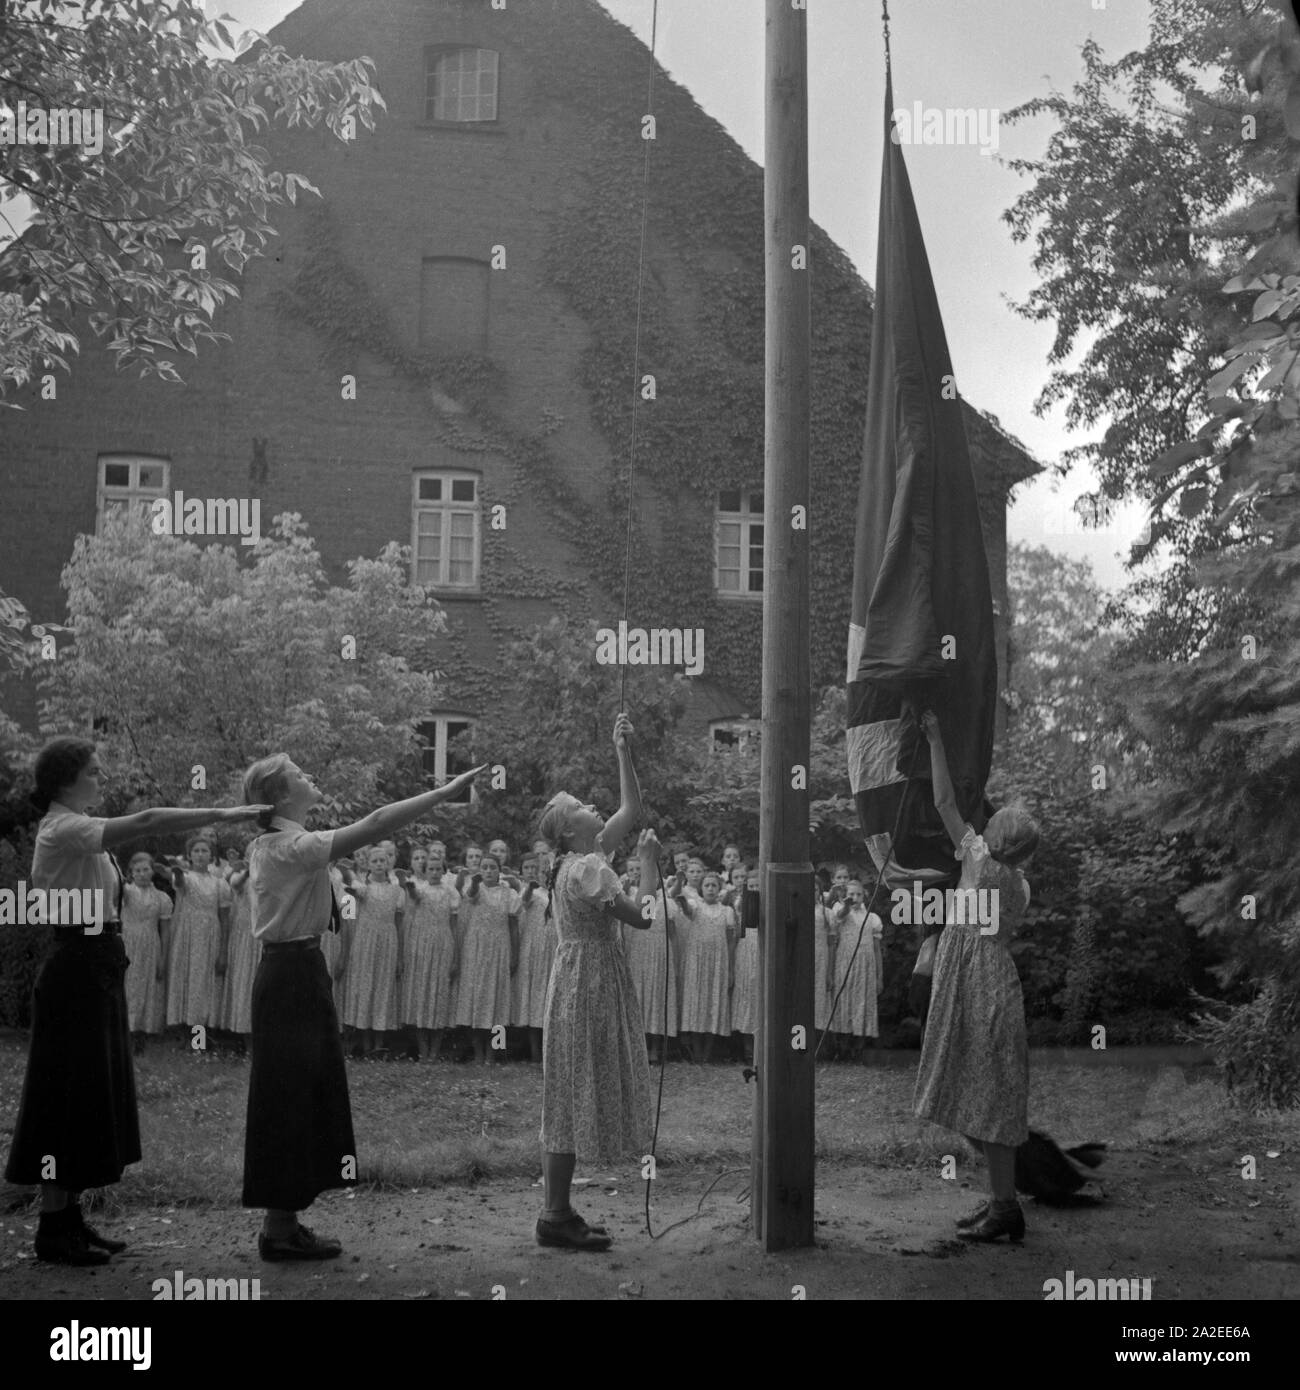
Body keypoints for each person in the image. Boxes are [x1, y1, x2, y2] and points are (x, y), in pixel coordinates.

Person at [4, 737, 267, 1265]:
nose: (100, 779)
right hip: (76, 968)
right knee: (65, 1096)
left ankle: (69, 1219)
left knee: (86, 1094)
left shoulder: (78, 829)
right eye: (93, 772)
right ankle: (54, 1229)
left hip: (92, 966)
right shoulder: (65, 828)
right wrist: (227, 810)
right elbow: (147, 818)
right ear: (65, 780)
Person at [238, 753, 485, 1260]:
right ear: (281, 796)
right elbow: (374, 824)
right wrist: (442, 793)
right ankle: (278, 1230)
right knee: (286, 1097)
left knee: (301, 1094)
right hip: (290, 975)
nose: (311, 776)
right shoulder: (290, 845)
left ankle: (284, 1223)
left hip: (299, 970)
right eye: (300, 774)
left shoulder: (285, 842)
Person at [534, 712, 661, 1251]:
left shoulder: (581, 859)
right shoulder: (587, 869)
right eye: (581, 807)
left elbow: (631, 808)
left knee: (565, 1092)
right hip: (589, 983)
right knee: (569, 1094)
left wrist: (622, 751)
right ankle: (556, 1215)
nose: (593, 807)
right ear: (569, 829)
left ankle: (556, 1213)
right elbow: (644, 916)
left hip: (578, 979)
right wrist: (649, 864)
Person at [913, 711, 1038, 1243]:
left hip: (972, 986)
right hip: (995, 983)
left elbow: (944, 802)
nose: (982, 824)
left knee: (978, 1095)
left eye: (991, 822)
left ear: (996, 837)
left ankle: (1005, 1207)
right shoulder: (1021, 886)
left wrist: (937, 737)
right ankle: (1001, 1203)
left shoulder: (978, 863)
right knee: (988, 1096)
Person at [164, 834, 233, 1044]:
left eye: (204, 851)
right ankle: (186, 1036)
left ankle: (200, 1039)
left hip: (210, 937)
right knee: (186, 981)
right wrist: (176, 871)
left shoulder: (220, 883)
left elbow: (224, 918)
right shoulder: (185, 877)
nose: (200, 855)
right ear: (189, 855)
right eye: (196, 851)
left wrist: (223, 951)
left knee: (203, 986)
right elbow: (179, 883)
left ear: (211, 856)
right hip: (187, 936)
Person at [454, 854, 521, 1063]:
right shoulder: (474, 888)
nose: (489, 871)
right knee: (476, 998)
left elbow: (513, 926)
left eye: (493, 867)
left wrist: (514, 954)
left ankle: (495, 1052)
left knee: (497, 1000)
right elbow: (471, 895)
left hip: (499, 948)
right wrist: (474, 882)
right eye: (485, 867)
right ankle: (478, 1053)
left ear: (499, 870)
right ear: (480, 870)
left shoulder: (508, 893)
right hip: (476, 948)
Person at [340, 845, 405, 1057]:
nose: (379, 864)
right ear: (368, 864)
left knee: (383, 987)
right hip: (365, 940)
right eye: (374, 861)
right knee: (365, 986)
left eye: (382, 861)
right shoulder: (360, 888)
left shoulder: (397, 890)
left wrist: (400, 955)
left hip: (387, 941)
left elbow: (399, 922)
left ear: (388, 864)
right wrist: (350, 891)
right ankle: (365, 1044)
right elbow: (348, 909)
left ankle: (380, 1044)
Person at [401, 849, 461, 1061]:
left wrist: (455, 955)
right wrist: (409, 887)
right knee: (421, 994)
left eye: (438, 869)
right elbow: (415, 897)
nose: (434, 873)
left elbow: (454, 925)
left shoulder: (451, 892)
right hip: (421, 945)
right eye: (430, 869)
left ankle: (435, 1052)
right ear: (424, 871)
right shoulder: (419, 888)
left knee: (439, 994)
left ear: (443, 871)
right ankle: (423, 1050)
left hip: (442, 944)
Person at [678, 870, 732, 1063]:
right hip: (697, 962)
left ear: (719, 888)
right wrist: (680, 894)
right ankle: (697, 1053)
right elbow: (685, 909)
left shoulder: (727, 911)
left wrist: (731, 968)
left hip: (717, 963)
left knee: (712, 1003)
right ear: (701, 889)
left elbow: (731, 941)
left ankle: (708, 1054)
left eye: (714, 885)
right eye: (707, 885)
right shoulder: (695, 906)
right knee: (696, 1003)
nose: (710, 888)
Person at [120, 851, 172, 1053]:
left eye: (146, 869)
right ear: (131, 873)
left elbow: (165, 931)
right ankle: (125, 1032)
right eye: (137, 870)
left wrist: (163, 958)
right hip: (128, 942)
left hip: (151, 945)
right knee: (128, 986)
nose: (142, 874)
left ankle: (140, 1035)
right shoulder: (126, 892)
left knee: (146, 987)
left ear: (153, 871)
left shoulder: (162, 898)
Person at [513, 854, 555, 1063]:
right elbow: (522, 903)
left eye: (549, 872)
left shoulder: (558, 893)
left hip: (553, 950)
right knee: (533, 996)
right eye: (542, 871)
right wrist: (530, 887)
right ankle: (534, 1052)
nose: (545, 875)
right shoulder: (531, 891)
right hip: (534, 949)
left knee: (550, 996)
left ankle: (551, 1052)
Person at [218, 842, 259, 1050]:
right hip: (244, 938)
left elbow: (347, 906)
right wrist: (247, 871)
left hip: (265, 938)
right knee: (245, 984)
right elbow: (234, 884)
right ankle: (246, 1040)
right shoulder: (240, 875)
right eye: (253, 853)